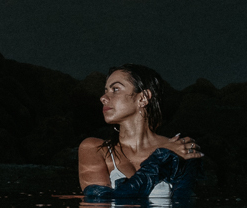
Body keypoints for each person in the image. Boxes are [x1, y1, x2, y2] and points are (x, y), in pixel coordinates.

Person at [78, 64, 203, 200]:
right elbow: (99, 201)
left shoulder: (180, 148)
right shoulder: (94, 148)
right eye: (105, 90)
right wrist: (160, 159)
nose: (103, 97)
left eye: (115, 89)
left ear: (143, 98)